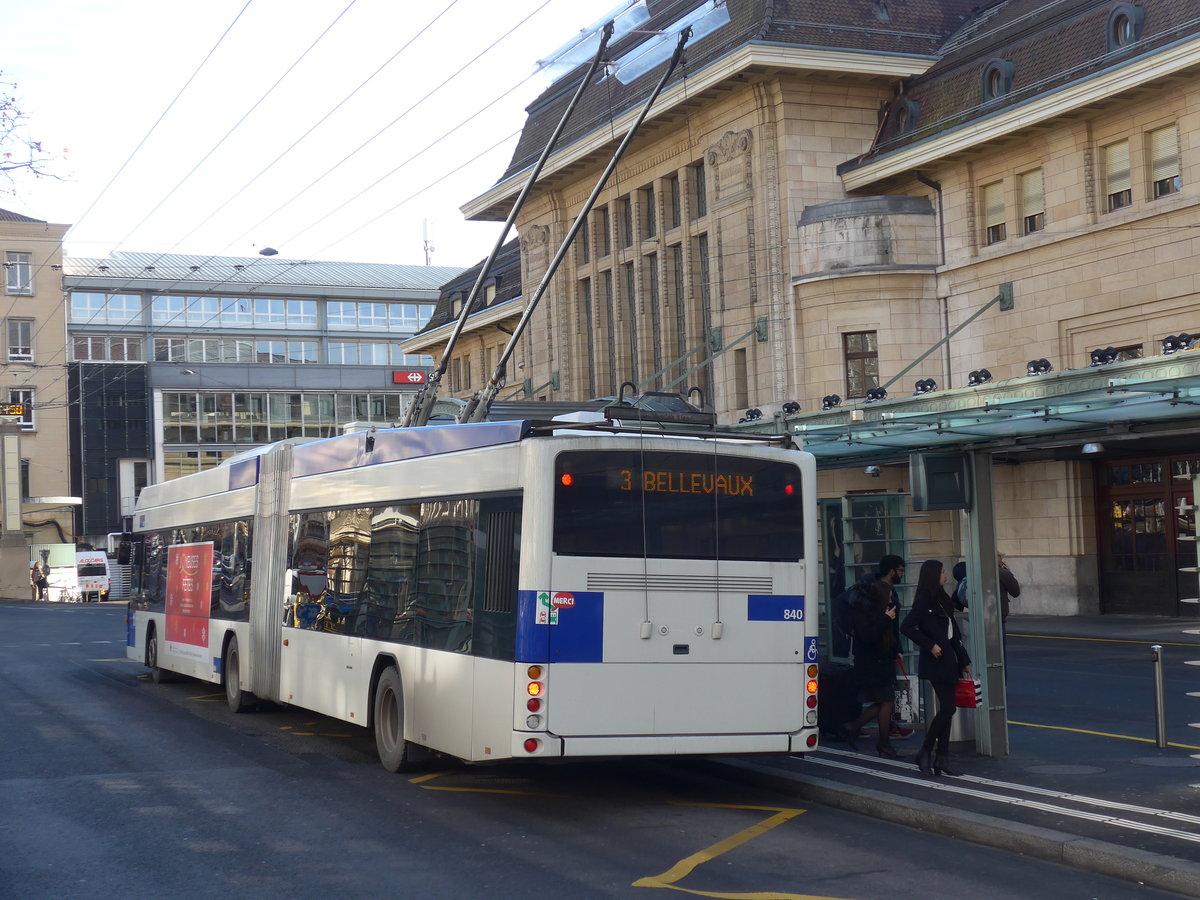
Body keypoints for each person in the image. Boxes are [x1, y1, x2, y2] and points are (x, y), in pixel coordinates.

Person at [901, 559, 971, 777]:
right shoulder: (924, 600)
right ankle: (927, 750)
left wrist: (964, 659)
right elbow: (907, 626)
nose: (945, 576)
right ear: (933, 575)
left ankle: (941, 758)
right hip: (937, 661)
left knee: (949, 710)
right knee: (948, 708)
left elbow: (954, 634)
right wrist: (930, 644)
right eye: (942, 572)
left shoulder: (942, 599)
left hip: (950, 660)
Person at [841, 580, 902, 758]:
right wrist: (885, 619)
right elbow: (868, 636)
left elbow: (890, 636)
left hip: (882, 662)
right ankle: (883, 743)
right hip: (872, 664)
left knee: (883, 702)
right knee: (887, 701)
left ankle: (854, 727)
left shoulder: (884, 611)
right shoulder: (864, 613)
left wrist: (896, 650)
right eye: (889, 595)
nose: (891, 598)